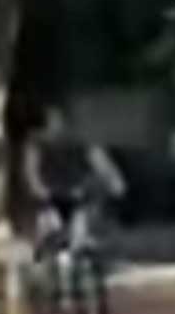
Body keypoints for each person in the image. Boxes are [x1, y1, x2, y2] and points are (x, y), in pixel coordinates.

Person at [23, 105, 126, 251]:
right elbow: (30, 169)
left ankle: (80, 237)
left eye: (58, 120)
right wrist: (39, 190)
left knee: (92, 196)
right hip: (51, 192)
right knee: (51, 226)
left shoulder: (79, 139)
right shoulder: (37, 141)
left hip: (76, 190)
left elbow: (100, 161)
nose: (55, 125)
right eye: (51, 120)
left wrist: (114, 179)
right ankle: (57, 236)